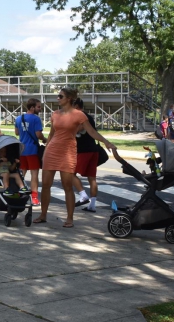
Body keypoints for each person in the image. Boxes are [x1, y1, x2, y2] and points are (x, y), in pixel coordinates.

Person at [34, 88, 115, 228]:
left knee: (67, 186)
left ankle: (70, 218)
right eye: (58, 96)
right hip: (52, 151)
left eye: (60, 96)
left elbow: (92, 132)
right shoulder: (55, 114)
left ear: (69, 98)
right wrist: (45, 151)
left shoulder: (79, 115)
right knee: (46, 185)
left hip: (68, 152)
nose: (58, 98)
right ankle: (43, 215)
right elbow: (52, 134)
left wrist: (106, 142)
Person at [70, 98, 100, 213]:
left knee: (70, 173)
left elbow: (76, 130)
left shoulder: (81, 117)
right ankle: (92, 205)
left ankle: (83, 195)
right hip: (93, 149)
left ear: (76, 106)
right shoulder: (90, 117)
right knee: (92, 178)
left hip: (83, 150)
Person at [14, 98, 46, 205]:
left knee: (21, 173)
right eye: (38, 107)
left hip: (21, 149)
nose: (40, 109)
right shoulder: (36, 119)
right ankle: (34, 197)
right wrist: (44, 139)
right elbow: (38, 134)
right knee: (34, 174)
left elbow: (17, 132)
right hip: (32, 149)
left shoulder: (19, 118)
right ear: (32, 108)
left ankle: (19, 194)